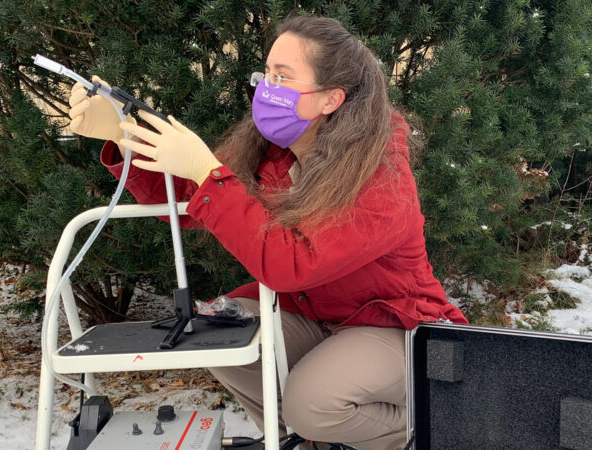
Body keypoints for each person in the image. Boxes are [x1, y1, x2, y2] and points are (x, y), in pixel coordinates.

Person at [67, 14, 468, 450]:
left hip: (397, 325)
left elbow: (291, 265)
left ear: (331, 99)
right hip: (319, 320)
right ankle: (303, 441)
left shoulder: (381, 174)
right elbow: (190, 200)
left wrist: (209, 173)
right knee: (212, 334)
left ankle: (428, 432)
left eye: (283, 77)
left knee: (313, 402)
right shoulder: (275, 154)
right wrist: (124, 136)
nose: (266, 88)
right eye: (266, 73)